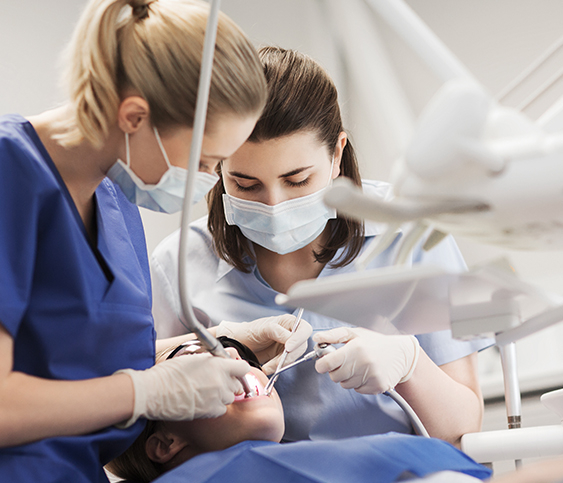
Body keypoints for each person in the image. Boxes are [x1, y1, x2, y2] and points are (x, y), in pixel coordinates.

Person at [0, 3, 314, 483]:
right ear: (135, 117)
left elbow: (66, 355)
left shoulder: (115, 202)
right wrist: (145, 393)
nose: (209, 179)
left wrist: (217, 342)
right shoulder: (11, 175)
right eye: (208, 160)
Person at [150, 46, 491, 446]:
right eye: (245, 184)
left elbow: (464, 428)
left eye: (297, 180)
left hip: (404, 480)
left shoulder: (415, 235)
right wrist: (216, 345)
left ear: (337, 155)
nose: (274, 205)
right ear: (216, 166)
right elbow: (137, 421)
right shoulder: (178, 265)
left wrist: (410, 364)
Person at [100, 345, 563, 483]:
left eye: (229, 353)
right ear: (165, 444)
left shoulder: (299, 456)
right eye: (193, 359)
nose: (231, 360)